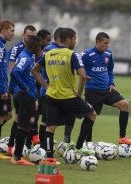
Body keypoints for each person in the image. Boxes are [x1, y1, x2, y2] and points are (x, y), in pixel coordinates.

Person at [32, 28, 96, 158]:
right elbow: (82, 76)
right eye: (74, 39)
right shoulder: (72, 54)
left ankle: (49, 158)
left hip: (51, 95)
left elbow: (34, 70)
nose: (75, 42)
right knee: (92, 114)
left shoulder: (48, 54)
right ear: (68, 40)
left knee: (50, 127)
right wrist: (79, 92)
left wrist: (46, 85)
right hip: (68, 96)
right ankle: (79, 146)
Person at [80, 32, 131, 145]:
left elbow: (110, 70)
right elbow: (76, 66)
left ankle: (122, 137)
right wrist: (83, 75)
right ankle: (88, 143)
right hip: (92, 90)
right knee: (90, 116)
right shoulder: (86, 54)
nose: (107, 46)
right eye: (105, 43)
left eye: (108, 43)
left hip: (107, 90)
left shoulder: (108, 54)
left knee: (124, 104)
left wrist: (112, 83)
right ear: (98, 42)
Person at [37, 27, 76, 148]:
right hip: (53, 92)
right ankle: (44, 146)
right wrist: (46, 85)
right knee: (47, 121)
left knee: (48, 121)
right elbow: (38, 70)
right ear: (60, 38)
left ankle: (46, 146)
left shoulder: (51, 50)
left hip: (52, 91)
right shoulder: (51, 50)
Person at [10, 35, 42, 166]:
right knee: (24, 126)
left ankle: (16, 154)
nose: (40, 48)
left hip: (25, 96)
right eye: (39, 46)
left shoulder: (29, 56)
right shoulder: (25, 57)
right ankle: (17, 157)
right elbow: (15, 72)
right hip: (25, 97)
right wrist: (25, 88)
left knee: (23, 125)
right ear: (33, 46)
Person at [7, 25, 38, 154]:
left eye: (33, 36)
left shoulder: (32, 52)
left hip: (27, 89)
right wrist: (22, 87)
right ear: (24, 35)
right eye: (29, 36)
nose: (31, 38)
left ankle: (17, 147)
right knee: (20, 120)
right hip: (19, 90)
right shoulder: (18, 49)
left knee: (19, 118)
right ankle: (14, 149)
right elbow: (13, 70)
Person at [0, 20, 15, 160]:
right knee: (0, 117)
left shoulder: (2, 46)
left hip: (2, 86)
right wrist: (3, 90)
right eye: (11, 31)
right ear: (3, 30)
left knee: (8, 115)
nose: (13, 34)